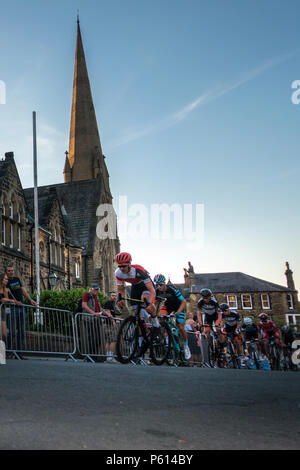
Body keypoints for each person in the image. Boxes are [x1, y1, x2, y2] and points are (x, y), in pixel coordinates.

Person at [115, 252, 159, 327]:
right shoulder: (118, 273)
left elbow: (152, 291)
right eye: (119, 266)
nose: (121, 268)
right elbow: (121, 289)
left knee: (145, 299)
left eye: (124, 266)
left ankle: (155, 321)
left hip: (145, 285)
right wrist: (121, 298)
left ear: (129, 264)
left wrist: (149, 303)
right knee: (135, 314)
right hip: (135, 286)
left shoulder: (138, 270)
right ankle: (140, 337)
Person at [153, 273, 191, 360]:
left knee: (181, 326)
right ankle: (166, 333)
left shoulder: (173, 289)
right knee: (161, 317)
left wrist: (177, 313)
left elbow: (184, 302)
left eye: (161, 284)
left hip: (178, 307)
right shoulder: (156, 291)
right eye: (157, 284)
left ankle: (186, 345)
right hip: (168, 307)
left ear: (165, 283)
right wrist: (153, 313)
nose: (159, 286)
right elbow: (155, 303)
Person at [5, 265, 37, 355]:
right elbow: (8, 295)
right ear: (6, 272)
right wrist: (15, 302)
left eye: (12, 270)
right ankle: (7, 352)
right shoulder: (5, 282)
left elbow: (23, 291)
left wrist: (31, 300)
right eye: (9, 270)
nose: (11, 272)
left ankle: (19, 354)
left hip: (21, 308)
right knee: (11, 332)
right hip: (12, 308)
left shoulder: (17, 279)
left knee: (22, 331)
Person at [81, 284, 114, 361]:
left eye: (97, 289)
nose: (97, 291)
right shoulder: (86, 295)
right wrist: (94, 313)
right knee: (92, 338)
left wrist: (107, 314)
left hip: (95, 320)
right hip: (88, 319)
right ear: (91, 289)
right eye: (95, 289)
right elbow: (84, 306)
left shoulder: (96, 297)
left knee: (98, 339)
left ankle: (95, 356)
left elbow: (100, 307)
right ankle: (91, 357)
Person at [102, 292, 121, 363]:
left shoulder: (112, 304)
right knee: (113, 340)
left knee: (109, 341)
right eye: (113, 296)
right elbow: (108, 312)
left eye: (115, 296)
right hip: (109, 324)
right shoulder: (109, 303)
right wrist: (113, 322)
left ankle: (108, 357)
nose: (114, 297)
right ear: (109, 296)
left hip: (107, 324)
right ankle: (110, 357)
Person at [0, 273, 19, 344]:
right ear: (1, 279)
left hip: (2, 311)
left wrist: (8, 292)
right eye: (5, 279)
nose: (7, 280)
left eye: (7, 279)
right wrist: (12, 300)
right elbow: (2, 300)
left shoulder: (5, 290)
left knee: (4, 334)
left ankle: (3, 352)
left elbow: (6, 301)